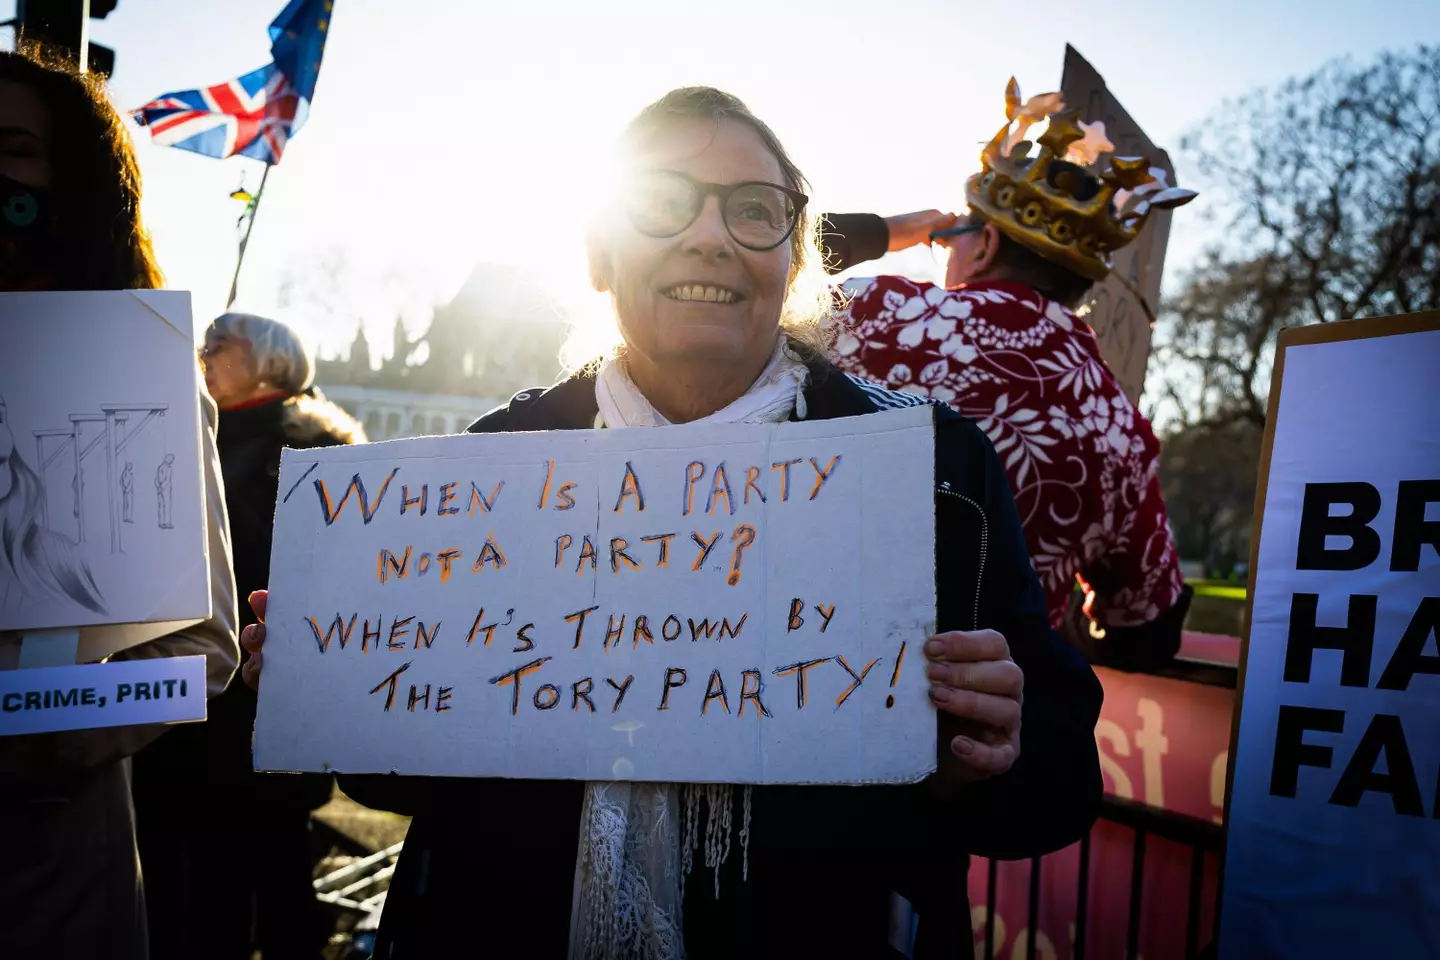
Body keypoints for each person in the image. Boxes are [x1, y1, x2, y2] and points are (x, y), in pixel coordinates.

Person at [241, 85, 1103, 960]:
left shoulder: (932, 470)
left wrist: (992, 751)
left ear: (793, 258)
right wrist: (334, 686)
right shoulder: (489, 467)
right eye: (660, 202)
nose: (709, 236)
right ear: (599, 254)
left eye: (755, 210)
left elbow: (1061, 785)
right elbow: (398, 779)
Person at [821, 79, 1196, 670]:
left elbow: (754, 269)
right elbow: (1146, 628)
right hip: (990, 729)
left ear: (986, 242)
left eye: (948, 240)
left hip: (808, 674)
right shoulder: (1117, 425)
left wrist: (887, 232)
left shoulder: (872, 315)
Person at [0, 47, 238, 959]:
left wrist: (34, 743)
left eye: (14, 147)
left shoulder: (131, 371)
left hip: (41, 872)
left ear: (73, 181)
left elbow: (198, 650)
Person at [132, 312, 365, 960]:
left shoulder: (312, 450)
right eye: (202, 341)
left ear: (270, 361)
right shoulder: (176, 436)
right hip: (179, 691)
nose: (202, 352)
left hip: (261, 695)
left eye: (220, 344)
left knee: (275, 859)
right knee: (191, 874)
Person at [155, 452, 174, 529]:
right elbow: (167, 480)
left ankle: (161, 522)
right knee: (166, 505)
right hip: (165, 489)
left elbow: (156, 479)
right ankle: (167, 522)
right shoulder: (169, 468)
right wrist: (161, 487)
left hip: (159, 489)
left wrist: (158, 487)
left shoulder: (159, 467)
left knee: (161, 505)